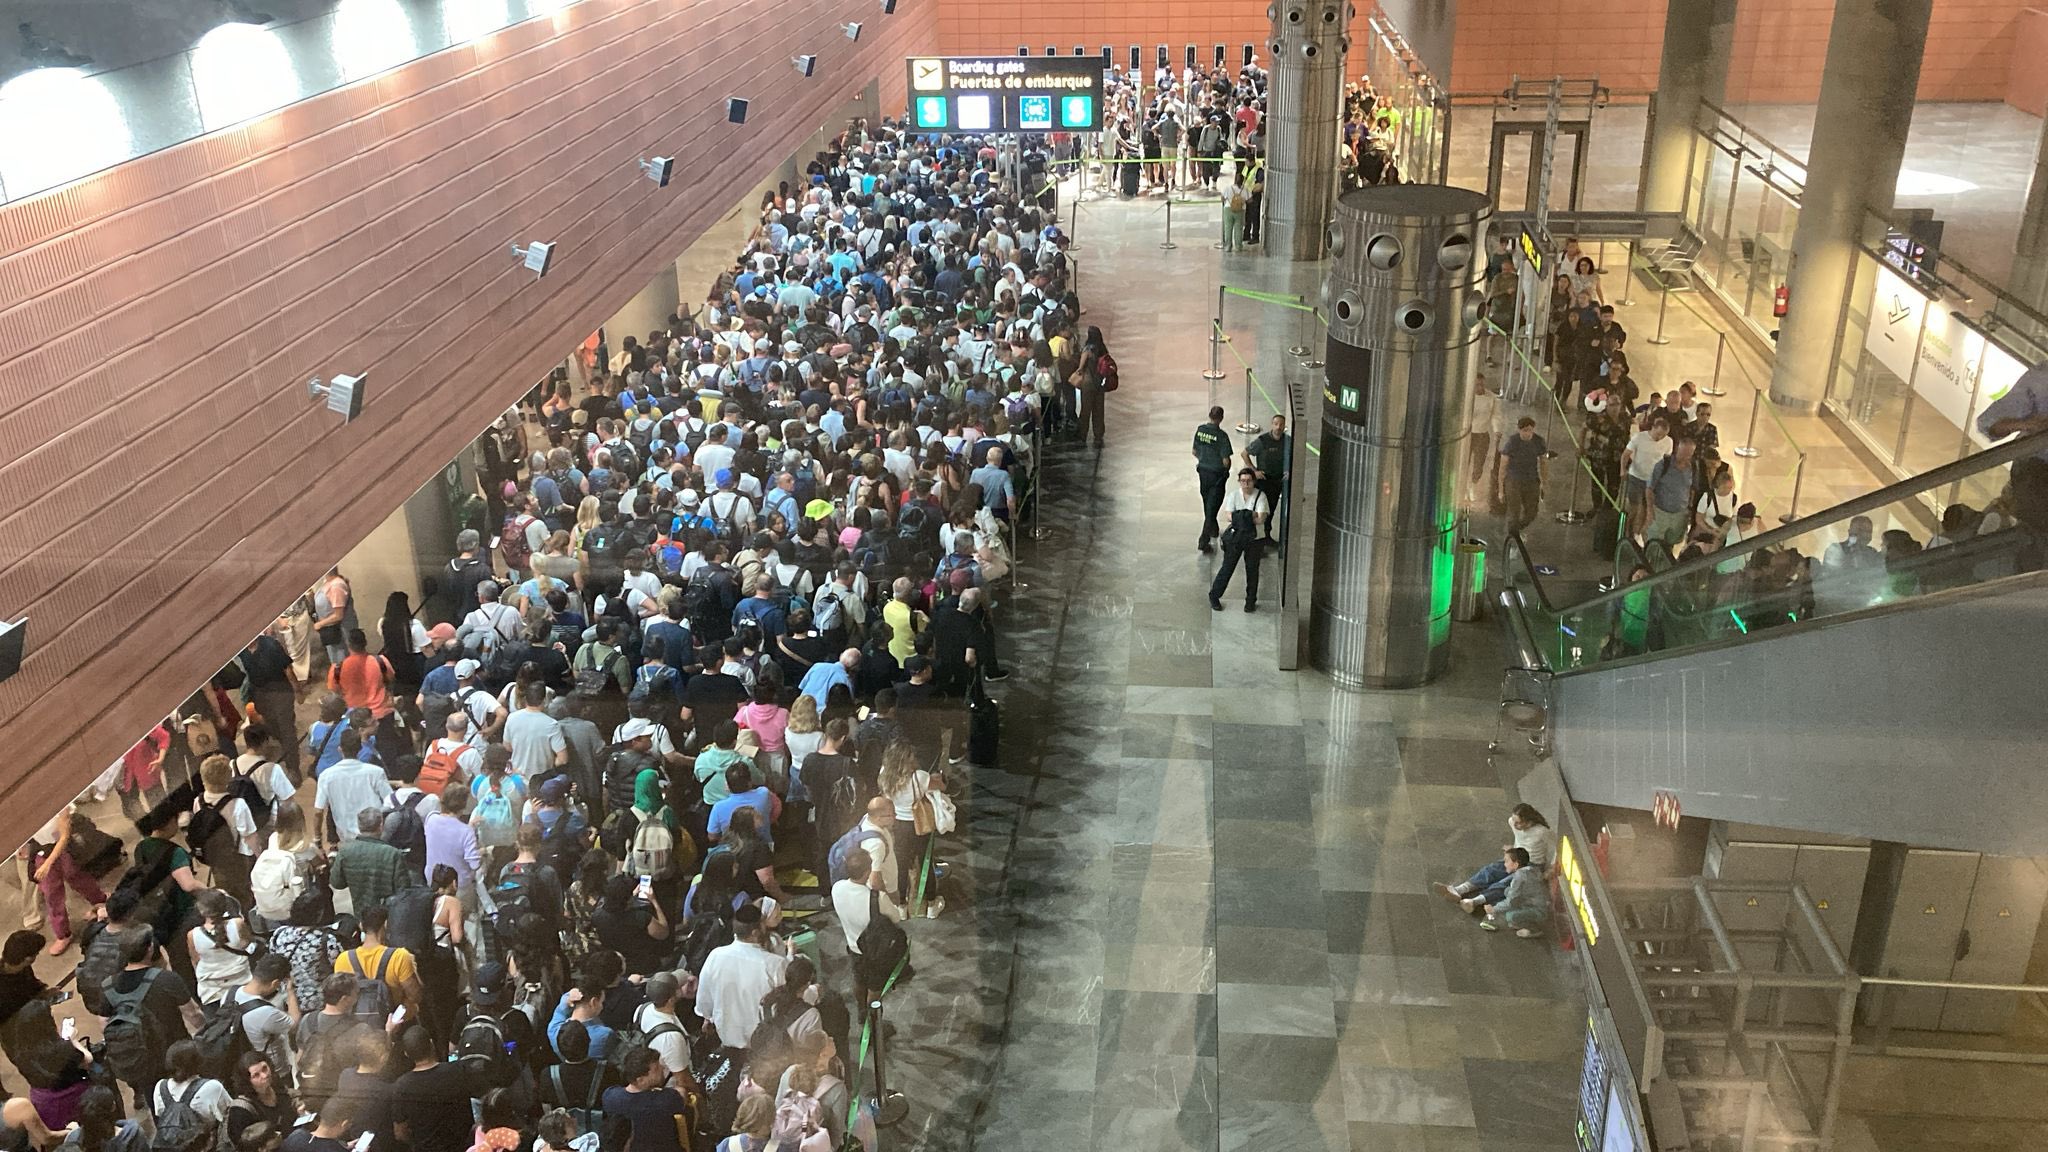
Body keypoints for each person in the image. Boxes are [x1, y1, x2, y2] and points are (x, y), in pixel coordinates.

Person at [694, 903, 788, 1054]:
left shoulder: (715, 956)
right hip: (766, 1047)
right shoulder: (774, 964)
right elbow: (787, 1004)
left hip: (729, 1044)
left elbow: (704, 1003)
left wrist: (708, 1018)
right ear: (756, 932)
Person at [1433, 804, 1556, 912]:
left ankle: (1474, 902)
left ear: (1528, 822)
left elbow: (1558, 846)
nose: (1514, 824)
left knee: (1506, 883)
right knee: (1491, 870)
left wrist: (1552, 866)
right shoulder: (1511, 822)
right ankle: (1459, 890)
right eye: (1514, 820)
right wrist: (1514, 848)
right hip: (1517, 856)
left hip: (1532, 864)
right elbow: (1520, 838)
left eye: (1518, 822)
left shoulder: (1542, 832)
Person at [391, 1025, 475, 1149]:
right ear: (431, 1044)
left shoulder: (401, 1086)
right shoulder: (458, 1071)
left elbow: (400, 1133)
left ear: (406, 1054)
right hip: (462, 1146)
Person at [330, 808, 419, 917]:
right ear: (381, 826)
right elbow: (403, 892)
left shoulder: (345, 851)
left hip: (361, 915)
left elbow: (337, 883)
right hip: (388, 917)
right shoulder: (393, 854)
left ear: (359, 826)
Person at [313, 730, 392, 850]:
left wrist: (317, 838)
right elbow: (390, 802)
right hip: (376, 838)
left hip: (348, 841)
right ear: (360, 749)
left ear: (340, 749)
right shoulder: (376, 772)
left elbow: (318, 811)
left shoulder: (326, 776)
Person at [600, 1047, 690, 1152]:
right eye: (656, 1069)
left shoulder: (610, 1096)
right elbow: (682, 1093)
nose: (662, 1068)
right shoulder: (666, 1100)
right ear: (641, 1080)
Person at [1208, 467, 1269, 612]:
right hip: (1236, 539)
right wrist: (1249, 515)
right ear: (1239, 482)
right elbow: (1228, 516)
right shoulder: (1234, 495)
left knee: (1252, 570)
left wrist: (1239, 516)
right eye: (1243, 481)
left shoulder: (1261, 496)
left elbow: (1261, 519)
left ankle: (1250, 601)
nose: (1246, 484)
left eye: (1248, 481)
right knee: (1227, 568)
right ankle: (1214, 595)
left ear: (1254, 481)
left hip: (1255, 540)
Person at [1620, 415, 1672, 541]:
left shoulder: (1668, 441)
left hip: (1653, 481)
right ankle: (1627, 532)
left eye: (1663, 436)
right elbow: (1626, 454)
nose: (1659, 438)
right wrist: (1622, 469)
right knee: (1635, 507)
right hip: (1636, 476)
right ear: (1653, 428)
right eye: (1658, 434)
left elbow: (1667, 460)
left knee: (1646, 508)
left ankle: (1639, 532)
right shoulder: (1639, 438)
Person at [1479, 848, 1550, 938]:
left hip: (1538, 910)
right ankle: (1520, 921)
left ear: (1516, 864)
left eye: (1506, 861)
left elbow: (1511, 902)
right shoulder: (1530, 871)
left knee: (1510, 916)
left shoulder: (1520, 877)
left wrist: (1494, 909)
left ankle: (1534, 929)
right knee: (1507, 892)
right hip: (1533, 903)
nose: (1505, 864)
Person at [1496, 417, 1548, 537]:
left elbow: (1544, 462)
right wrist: (1501, 490)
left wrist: (1544, 483)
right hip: (1514, 481)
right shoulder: (1512, 442)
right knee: (1514, 513)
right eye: (1525, 430)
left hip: (1531, 480)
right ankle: (1512, 535)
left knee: (1532, 512)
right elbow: (1503, 466)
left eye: (1530, 430)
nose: (1527, 433)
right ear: (1519, 430)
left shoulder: (1538, 441)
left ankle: (1518, 528)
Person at [1645, 437, 1698, 550]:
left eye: (1688, 454)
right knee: (1654, 544)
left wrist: (1689, 509)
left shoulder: (1693, 468)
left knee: (1671, 545)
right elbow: (1649, 488)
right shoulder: (1663, 465)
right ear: (1677, 449)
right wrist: (1649, 510)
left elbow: (1692, 489)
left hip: (1679, 515)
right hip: (1660, 513)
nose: (1684, 457)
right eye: (1682, 453)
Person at [1192, 406, 1233, 553]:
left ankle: (1213, 529)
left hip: (1203, 472)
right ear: (1221, 418)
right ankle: (1203, 540)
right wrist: (1226, 470)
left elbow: (1194, 451)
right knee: (1213, 505)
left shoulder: (1200, 430)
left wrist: (1204, 460)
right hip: (1217, 475)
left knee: (1207, 501)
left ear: (1209, 415)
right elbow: (1226, 460)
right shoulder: (1221, 436)